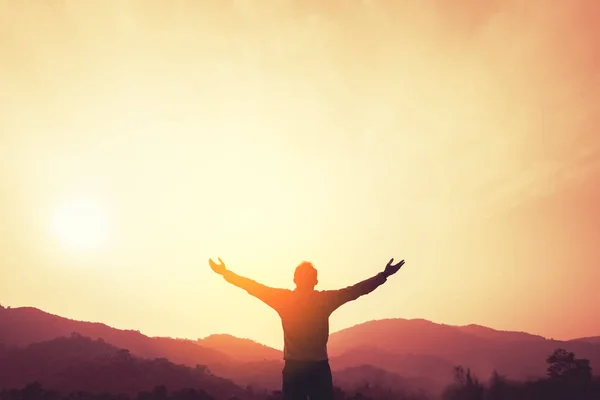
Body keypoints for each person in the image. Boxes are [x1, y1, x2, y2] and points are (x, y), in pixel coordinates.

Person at [208, 257, 406, 400]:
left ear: (295, 280)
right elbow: (356, 291)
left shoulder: (284, 299)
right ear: (316, 281)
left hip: (294, 367)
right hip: (318, 367)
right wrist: (383, 275)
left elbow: (252, 286)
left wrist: (226, 273)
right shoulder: (325, 300)